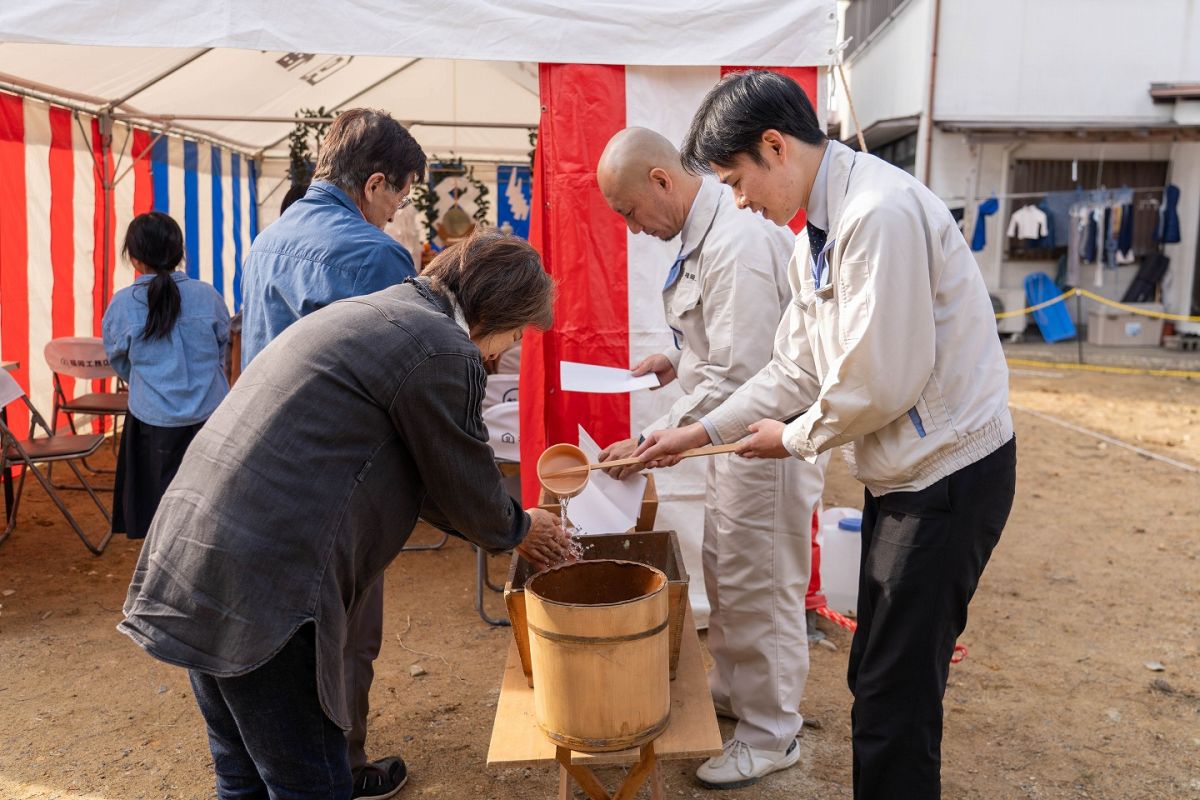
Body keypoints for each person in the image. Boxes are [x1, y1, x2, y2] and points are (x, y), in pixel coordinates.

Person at [636, 71, 1017, 799]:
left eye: (737, 180)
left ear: (775, 147)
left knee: (891, 690)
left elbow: (878, 383)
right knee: (876, 672)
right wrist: (702, 430)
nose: (738, 199)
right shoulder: (816, 227)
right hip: (906, 475)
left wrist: (792, 438)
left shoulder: (876, 213)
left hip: (947, 475)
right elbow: (793, 365)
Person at [119, 230, 574, 800]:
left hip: (194, 549)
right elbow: (464, 477)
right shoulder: (440, 346)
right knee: (308, 784)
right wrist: (521, 526)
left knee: (241, 776)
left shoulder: (382, 312)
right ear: (495, 311)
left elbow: (428, 475)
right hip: (267, 583)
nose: (503, 350)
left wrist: (511, 526)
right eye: (514, 334)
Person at [594, 127, 827, 789]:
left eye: (630, 211)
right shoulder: (707, 239)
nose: (633, 230)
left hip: (767, 442)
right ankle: (739, 693)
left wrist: (654, 440)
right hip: (734, 437)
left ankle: (770, 733)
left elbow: (746, 370)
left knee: (762, 586)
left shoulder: (738, 242)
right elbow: (722, 345)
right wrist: (676, 359)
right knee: (729, 571)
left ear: (662, 180)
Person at [238, 107, 426, 799]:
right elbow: (401, 378)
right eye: (399, 199)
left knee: (286, 636)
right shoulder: (375, 256)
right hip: (338, 479)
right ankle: (340, 767)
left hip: (263, 469)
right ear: (376, 184)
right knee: (346, 638)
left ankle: (289, 764)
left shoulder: (268, 238)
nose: (395, 216)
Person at [102, 212, 230, 540]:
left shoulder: (122, 305)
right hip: (211, 419)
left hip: (151, 423)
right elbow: (221, 352)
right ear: (179, 252)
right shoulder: (208, 295)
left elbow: (120, 361)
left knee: (159, 521)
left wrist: (150, 384)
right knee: (209, 511)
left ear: (133, 257)